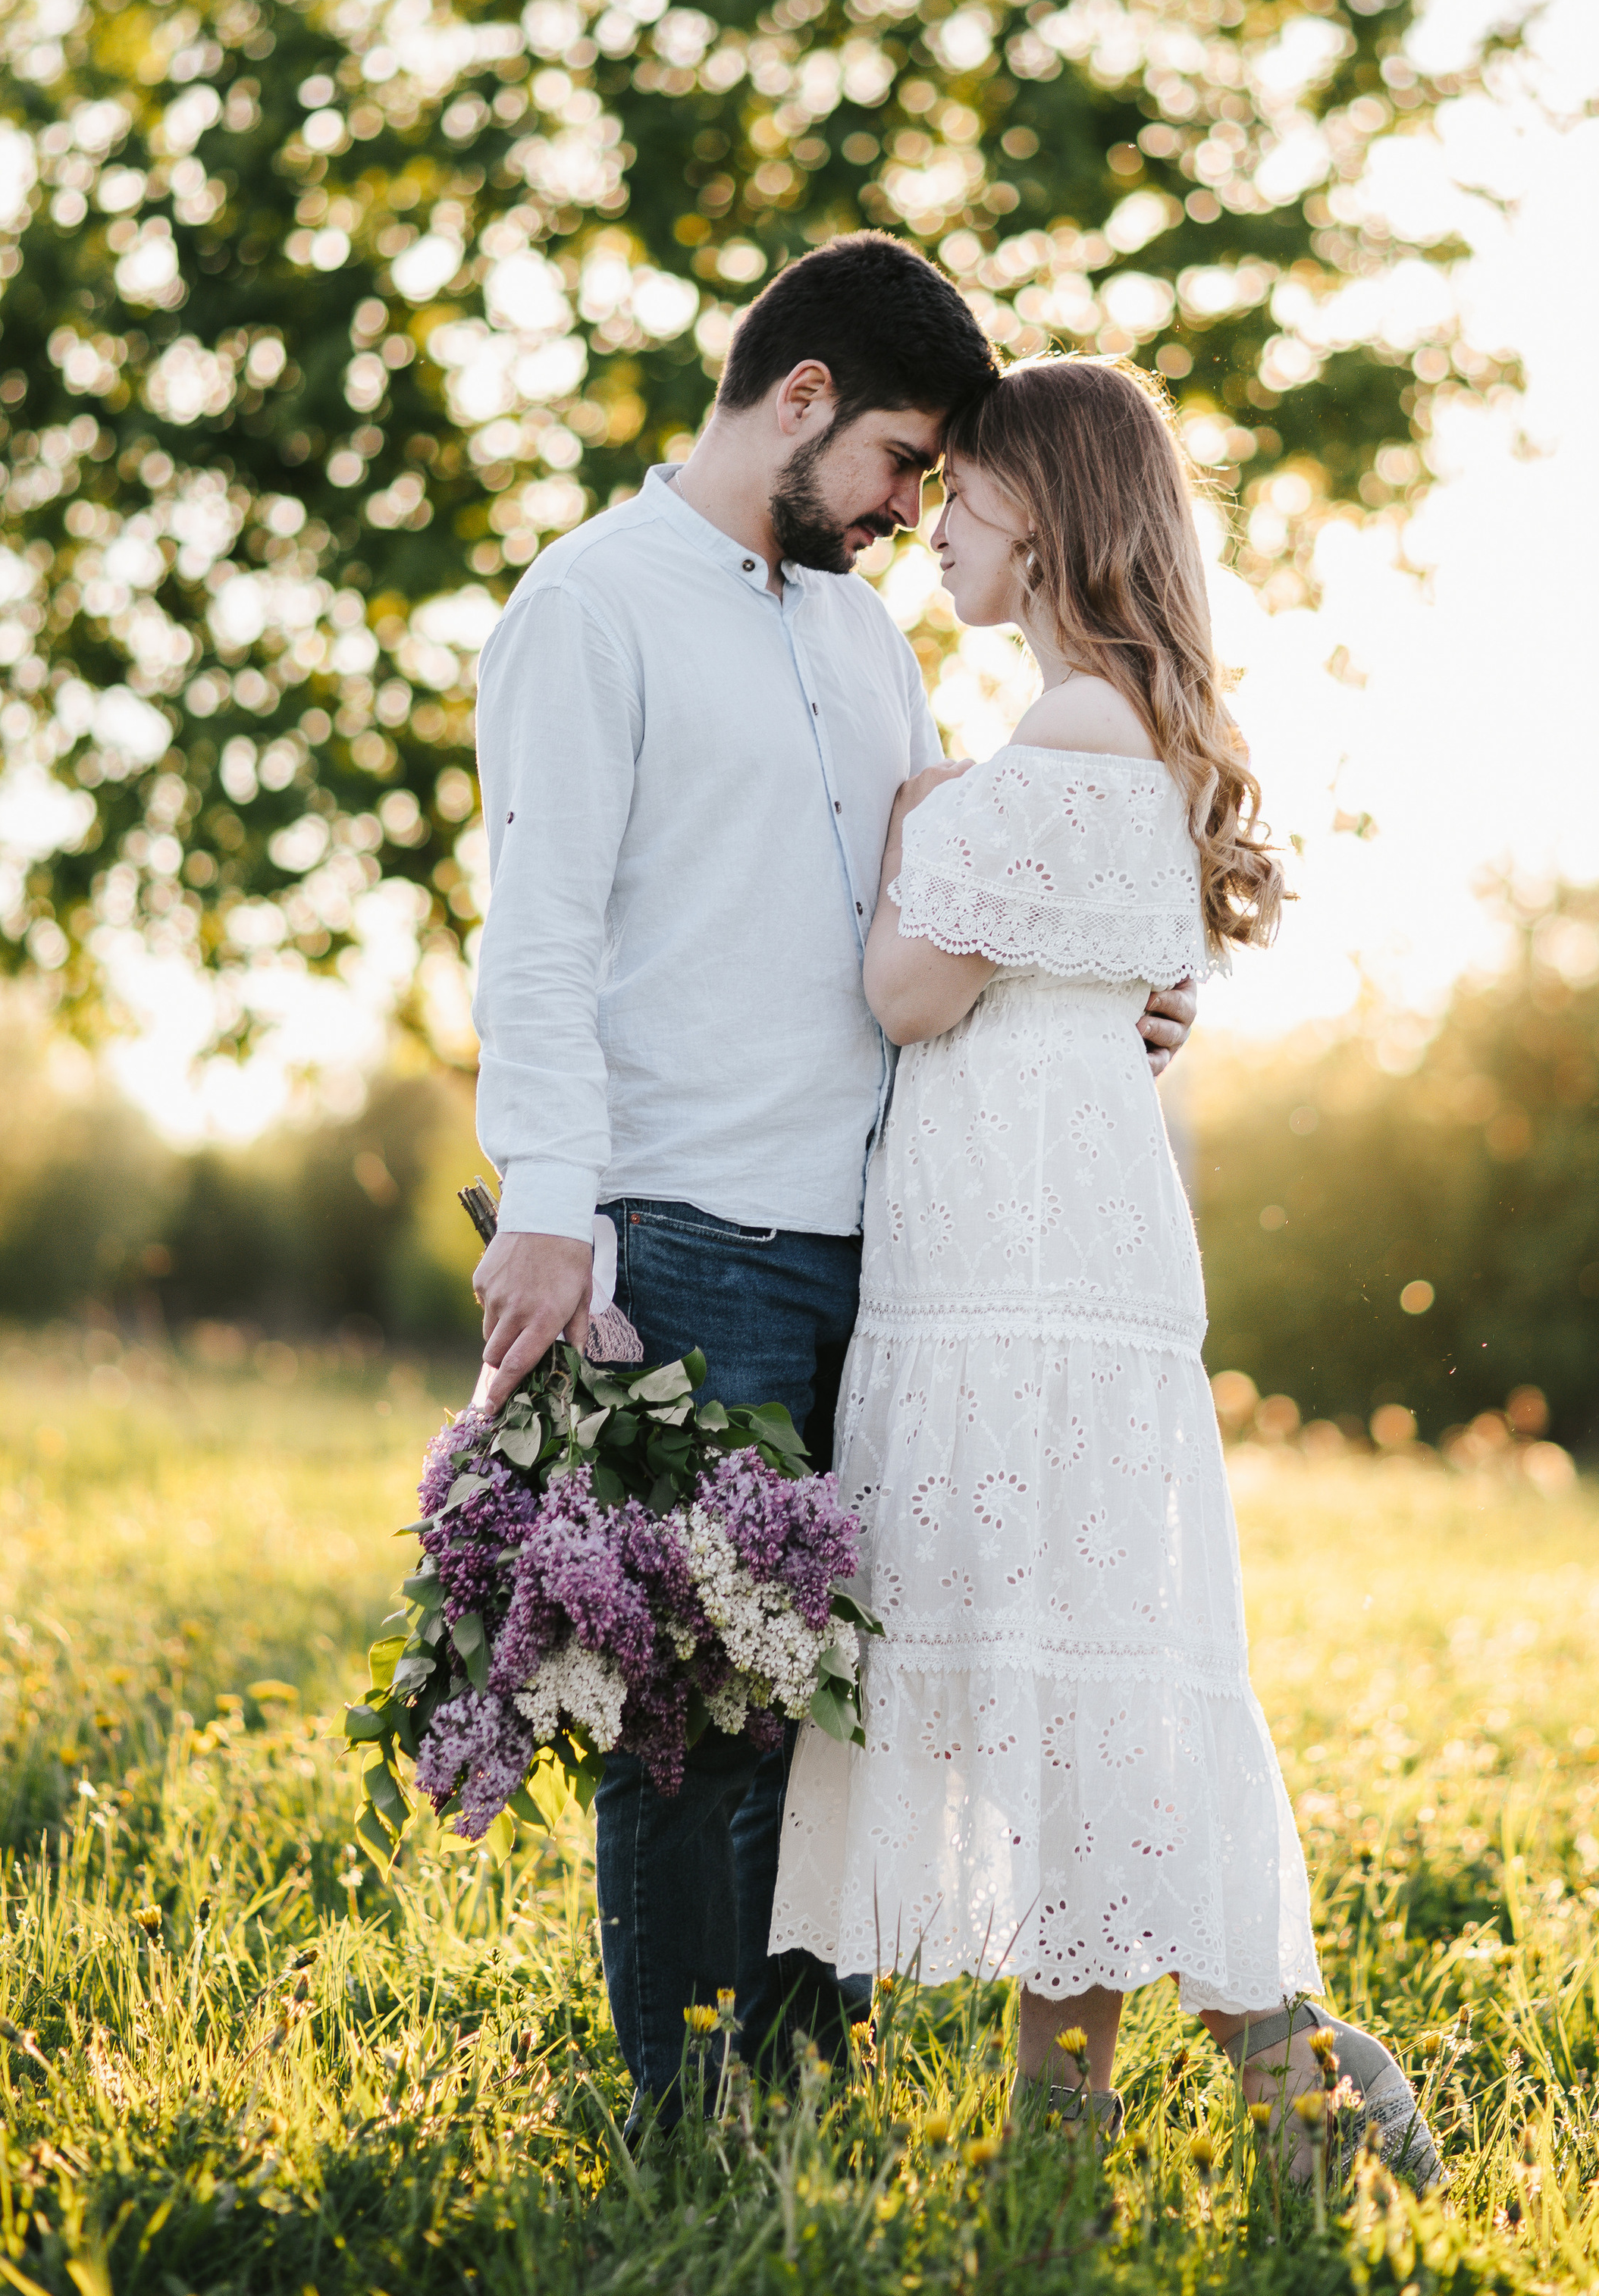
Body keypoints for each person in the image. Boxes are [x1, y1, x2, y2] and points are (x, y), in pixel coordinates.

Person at [467, 234, 1199, 2124]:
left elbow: (950, 886)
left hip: (884, 1240)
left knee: (822, 1715)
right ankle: (695, 2128)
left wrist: (1089, 991)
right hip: (687, 1230)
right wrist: (549, 1201)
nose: (904, 509)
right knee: (691, 1717)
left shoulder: (857, 637)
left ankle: (802, 2100)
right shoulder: (592, 607)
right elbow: (535, 936)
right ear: (800, 401)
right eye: (894, 458)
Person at [770, 353, 1441, 2185]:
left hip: (1023, 1260)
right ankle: (1131, 2107)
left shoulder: (1057, 744)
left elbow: (906, 989)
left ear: (1046, 517)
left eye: (963, 501)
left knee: (1054, 1683)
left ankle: (1247, 2069)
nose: (934, 538)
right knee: (1066, 1684)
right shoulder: (1112, 733)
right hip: (1048, 1234)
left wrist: (914, 821)